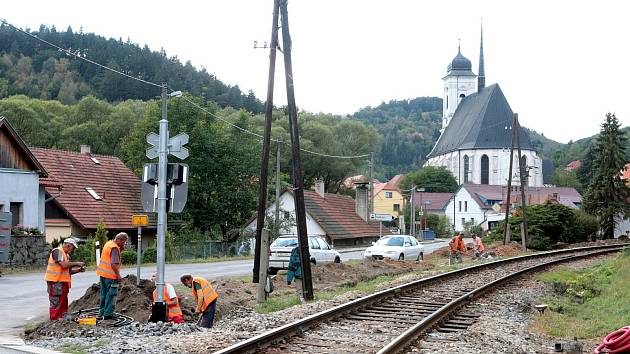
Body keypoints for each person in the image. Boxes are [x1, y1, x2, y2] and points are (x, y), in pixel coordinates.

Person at [44, 238, 85, 320]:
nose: (72, 250)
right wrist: (77, 263)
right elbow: (63, 265)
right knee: (56, 302)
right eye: (73, 248)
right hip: (55, 282)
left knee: (63, 302)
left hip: (62, 283)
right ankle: (55, 319)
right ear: (68, 245)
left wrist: (78, 270)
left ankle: (62, 318)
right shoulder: (57, 251)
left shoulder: (66, 256)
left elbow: (68, 271)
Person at [96, 232, 127, 320]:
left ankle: (101, 313)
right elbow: (114, 264)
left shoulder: (108, 244)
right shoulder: (114, 248)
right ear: (119, 240)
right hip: (111, 276)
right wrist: (118, 276)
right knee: (111, 295)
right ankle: (108, 314)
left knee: (104, 294)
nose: (124, 244)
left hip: (103, 275)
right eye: (124, 242)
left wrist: (120, 249)